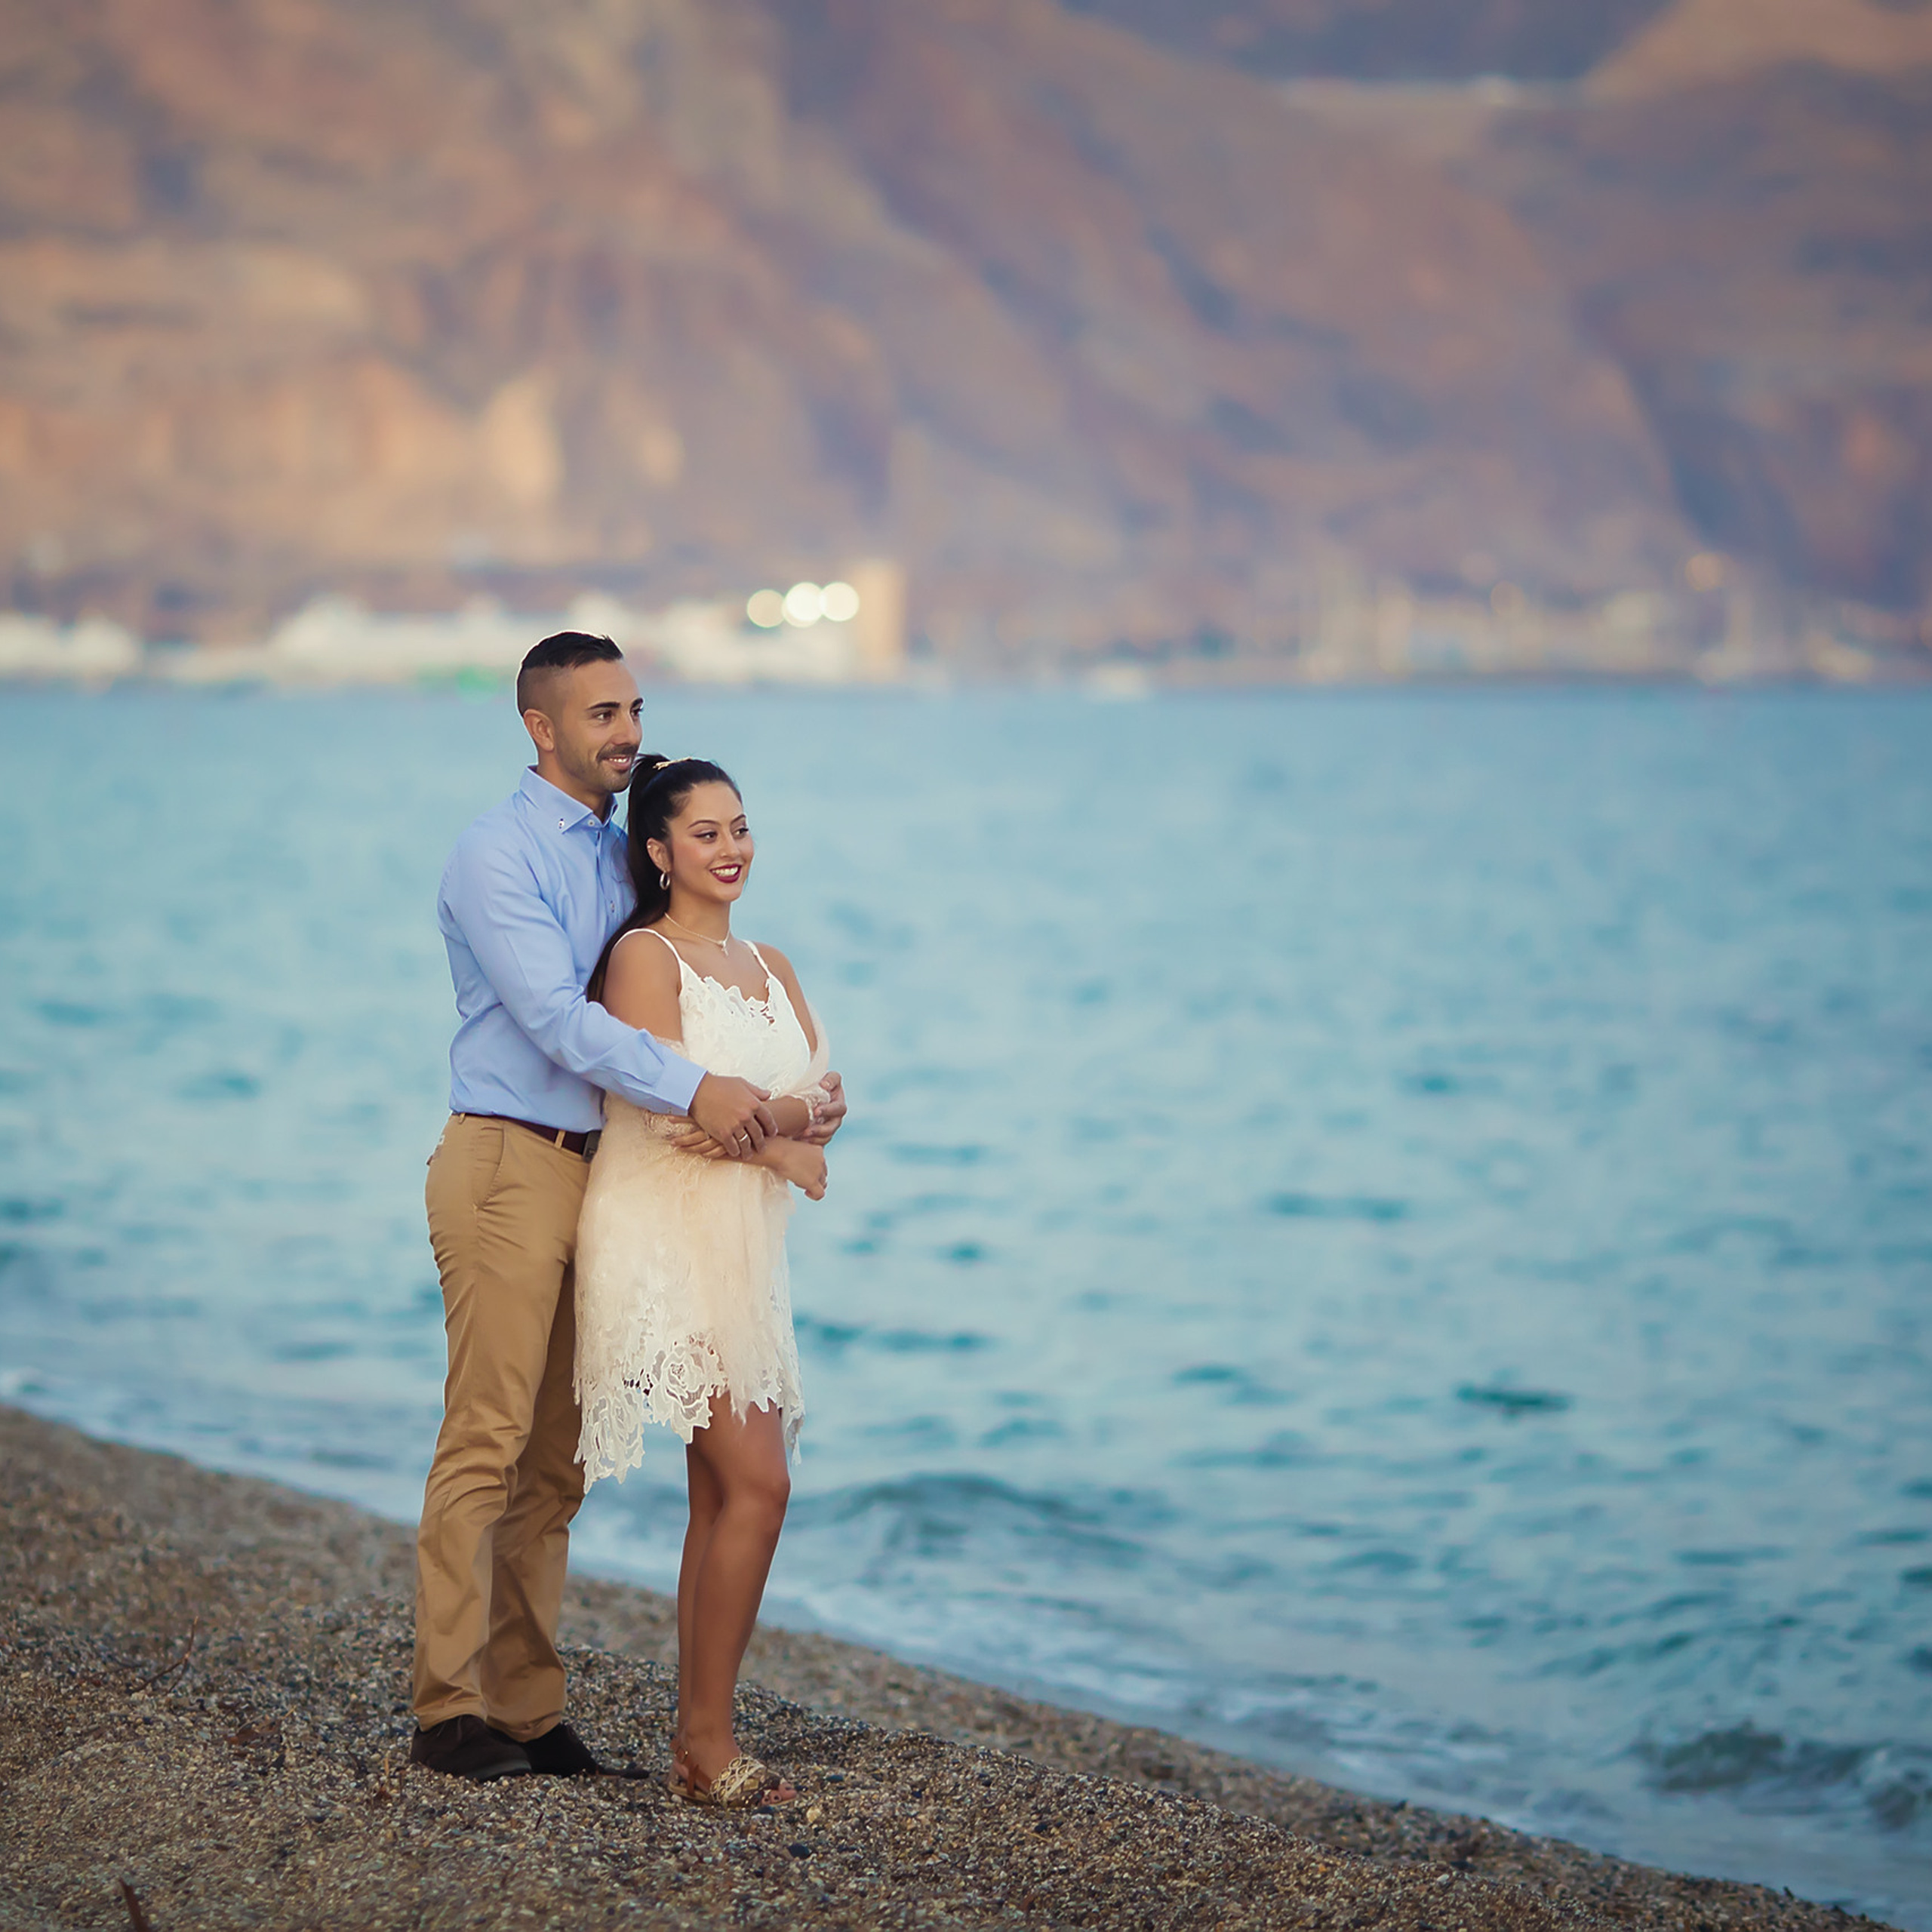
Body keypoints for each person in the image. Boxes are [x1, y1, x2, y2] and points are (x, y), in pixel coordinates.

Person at [410, 633, 844, 1784]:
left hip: (608, 1177)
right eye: (601, 713)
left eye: (634, 708)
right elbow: (558, 1021)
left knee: (553, 1465)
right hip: (508, 1161)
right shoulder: (494, 854)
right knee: (487, 1442)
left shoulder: (622, 856)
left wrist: (781, 1108)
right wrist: (712, 1092)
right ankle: (448, 1709)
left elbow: (688, 984)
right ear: (539, 728)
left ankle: (525, 1709)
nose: (626, 731)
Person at [574, 754, 835, 1808]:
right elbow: (677, 1111)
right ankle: (710, 1743)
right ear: (658, 851)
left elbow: (823, 1095)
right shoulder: (643, 958)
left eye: (740, 828)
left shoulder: (768, 963)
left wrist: (776, 1127)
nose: (732, 850)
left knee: (724, 1491)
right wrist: (783, 1141)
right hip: (665, 1241)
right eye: (707, 833)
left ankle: (696, 1739)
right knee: (761, 1485)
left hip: (745, 1246)